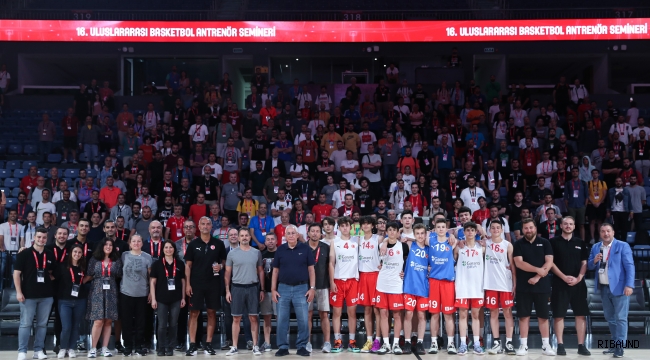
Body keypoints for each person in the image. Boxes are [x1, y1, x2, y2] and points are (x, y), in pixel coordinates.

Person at [587, 223, 635, 358]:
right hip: (603, 287)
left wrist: (629, 285)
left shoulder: (622, 245)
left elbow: (630, 266)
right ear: (600, 233)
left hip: (620, 288)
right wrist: (594, 261)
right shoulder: (596, 247)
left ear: (613, 232)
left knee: (620, 318)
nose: (605, 233)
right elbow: (590, 265)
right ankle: (614, 344)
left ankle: (620, 347)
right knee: (610, 318)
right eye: (603, 231)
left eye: (608, 231)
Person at [270, 224, 315, 356]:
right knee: (282, 319)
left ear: (297, 235)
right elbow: (275, 271)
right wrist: (273, 289)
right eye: (288, 233)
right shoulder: (280, 250)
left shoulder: (305, 249)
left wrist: (312, 288)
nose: (290, 235)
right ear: (285, 236)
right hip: (283, 288)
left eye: (293, 233)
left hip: (301, 288)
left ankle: (302, 346)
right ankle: (283, 347)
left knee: (303, 319)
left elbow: (311, 270)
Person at [184, 217, 226, 356]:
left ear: (211, 226)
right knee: (194, 313)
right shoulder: (193, 244)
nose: (206, 226)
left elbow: (224, 262)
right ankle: (192, 344)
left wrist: (221, 266)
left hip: (213, 283)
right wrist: (188, 284)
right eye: (203, 224)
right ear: (199, 226)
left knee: (211, 312)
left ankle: (208, 343)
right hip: (196, 284)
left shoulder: (218, 244)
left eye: (208, 224)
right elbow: (188, 266)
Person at [512, 219, 555, 356]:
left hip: (542, 286)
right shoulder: (518, 244)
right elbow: (519, 263)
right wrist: (538, 269)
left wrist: (537, 277)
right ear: (522, 230)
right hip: (523, 286)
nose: (529, 230)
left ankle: (546, 345)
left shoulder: (545, 243)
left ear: (535, 228)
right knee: (524, 316)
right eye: (526, 228)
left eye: (531, 227)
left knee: (543, 316)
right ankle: (523, 345)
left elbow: (549, 262)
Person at [549, 217, 591, 356]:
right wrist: (563, 277)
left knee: (580, 314)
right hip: (559, 283)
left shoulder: (580, 242)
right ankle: (560, 344)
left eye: (571, 224)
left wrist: (579, 278)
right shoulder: (553, 242)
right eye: (565, 224)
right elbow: (550, 263)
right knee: (558, 315)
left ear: (574, 226)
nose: (568, 226)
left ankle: (581, 345)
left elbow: (584, 262)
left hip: (578, 284)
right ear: (560, 225)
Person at [14, 227, 55, 360]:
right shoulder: (24, 253)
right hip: (28, 295)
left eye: (44, 237)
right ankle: (22, 351)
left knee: (42, 324)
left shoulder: (49, 254)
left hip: (46, 296)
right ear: (34, 237)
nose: (41, 239)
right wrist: (19, 292)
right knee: (25, 323)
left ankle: (38, 350)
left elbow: (51, 272)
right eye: (39, 237)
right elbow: (16, 274)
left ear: (46, 238)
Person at [224, 228, 265, 356]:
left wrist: (262, 289)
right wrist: (227, 290)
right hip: (237, 287)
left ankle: (255, 345)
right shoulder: (231, 253)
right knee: (236, 318)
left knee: (253, 317)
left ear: (250, 237)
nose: (244, 237)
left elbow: (260, 271)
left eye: (246, 235)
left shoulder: (256, 252)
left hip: (253, 287)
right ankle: (234, 346)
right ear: (239, 238)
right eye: (242, 235)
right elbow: (227, 273)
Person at [375, 221, 409, 355]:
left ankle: (396, 344)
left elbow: (409, 262)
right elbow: (379, 260)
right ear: (387, 232)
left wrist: (404, 271)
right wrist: (384, 243)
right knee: (383, 314)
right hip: (382, 284)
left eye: (394, 230)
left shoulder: (404, 246)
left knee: (397, 315)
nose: (392, 232)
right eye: (389, 230)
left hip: (396, 284)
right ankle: (386, 344)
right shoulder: (380, 245)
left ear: (397, 231)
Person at [85, 238, 123, 358]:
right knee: (98, 321)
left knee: (108, 321)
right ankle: (93, 348)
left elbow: (119, 275)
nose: (108, 246)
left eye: (110, 245)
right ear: (101, 246)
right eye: (106, 244)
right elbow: (89, 275)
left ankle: (105, 348)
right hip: (97, 291)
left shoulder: (117, 260)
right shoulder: (94, 259)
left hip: (111, 291)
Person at [484, 220, 516, 355]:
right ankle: (497, 342)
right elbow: (477, 229)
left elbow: (513, 265)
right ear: (489, 230)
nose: (496, 229)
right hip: (491, 284)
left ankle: (509, 342)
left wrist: (515, 283)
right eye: (493, 228)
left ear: (502, 230)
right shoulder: (485, 243)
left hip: (505, 284)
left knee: (508, 313)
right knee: (493, 313)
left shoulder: (507, 245)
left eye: (498, 227)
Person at [328, 216, 360, 352]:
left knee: (352, 313)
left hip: (353, 281)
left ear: (350, 227)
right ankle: (337, 341)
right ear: (339, 228)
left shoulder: (357, 240)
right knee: (337, 312)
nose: (345, 228)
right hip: (338, 281)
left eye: (347, 225)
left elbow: (379, 238)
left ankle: (352, 341)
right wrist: (331, 281)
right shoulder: (334, 242)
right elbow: (331, 262)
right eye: (342, 226)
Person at [454, 222, 485, 355]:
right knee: (462, 315)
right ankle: (463, 344)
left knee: (475, 315)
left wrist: (480, 230)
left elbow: (486, 235)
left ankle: (477, 343)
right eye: (468, 230)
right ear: (464, 232)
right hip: (462, 286)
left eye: (473, 230)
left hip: (477, 286)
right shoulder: (458, 247)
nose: (470, 232)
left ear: (476, 232)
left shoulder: (482, 247)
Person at [150, 240, 186, 356]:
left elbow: (183, 282)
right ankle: (161, 347)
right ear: (163, 249)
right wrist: (154, 299)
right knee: (162, 324)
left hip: (176, 298)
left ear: (174, 249)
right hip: (161, 299)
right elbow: (153, 282)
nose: (168, 249)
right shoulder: (157, 264)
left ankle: (170, 347)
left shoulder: (180, 263)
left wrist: (183, 298)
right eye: (166, 247)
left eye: (171, 247)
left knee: (173, 324)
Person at [427, 219, 458, 354]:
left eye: (443, 227)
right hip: (434, 281)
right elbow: (412, 236)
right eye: (438, 227)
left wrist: (452, 234)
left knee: (448, 315)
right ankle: (434, 342)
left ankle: (451, 343)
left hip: (447, 282)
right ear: (434, 228)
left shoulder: (452, 241)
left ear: (447, 228)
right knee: (434, 314)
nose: (440, 229)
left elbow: (458, 231)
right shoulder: (430, 240)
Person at [119, 234, 153, 356]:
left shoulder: (147, 257)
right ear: (130, 243)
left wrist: (151, 293)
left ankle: (139, 345)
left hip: (142, 294)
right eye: (134, 241)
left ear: (142, 244)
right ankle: (128, 345)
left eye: (139, 241)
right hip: (126, 293)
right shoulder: (124, 255)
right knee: (126, 321)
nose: (136, 243)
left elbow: (151, 277)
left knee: (141, 322)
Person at [54, 244, 87, 359]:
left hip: (80, 300)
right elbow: (53, 277)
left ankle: (71, 348)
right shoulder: (62, 266)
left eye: (79, 252)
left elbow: (88, 277)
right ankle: (63, 348)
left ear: (82, 254)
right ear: (70, 253)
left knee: (75, 326)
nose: (77, 254)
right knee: (66, 326)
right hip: (64, 300)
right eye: (75, 252)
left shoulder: (83, 266)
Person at [304, 223, 331, 353]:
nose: (315, 233)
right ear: (308, 233)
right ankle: (307, 342)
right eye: (312, 231)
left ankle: (327, 343)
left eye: (317, 231)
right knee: (307, 315)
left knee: (324, 314)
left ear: (321, 234)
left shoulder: (326, 247)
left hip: (323, 284)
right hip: (306, 286)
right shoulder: (302, 248)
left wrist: (331, 283)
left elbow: (330, 267)